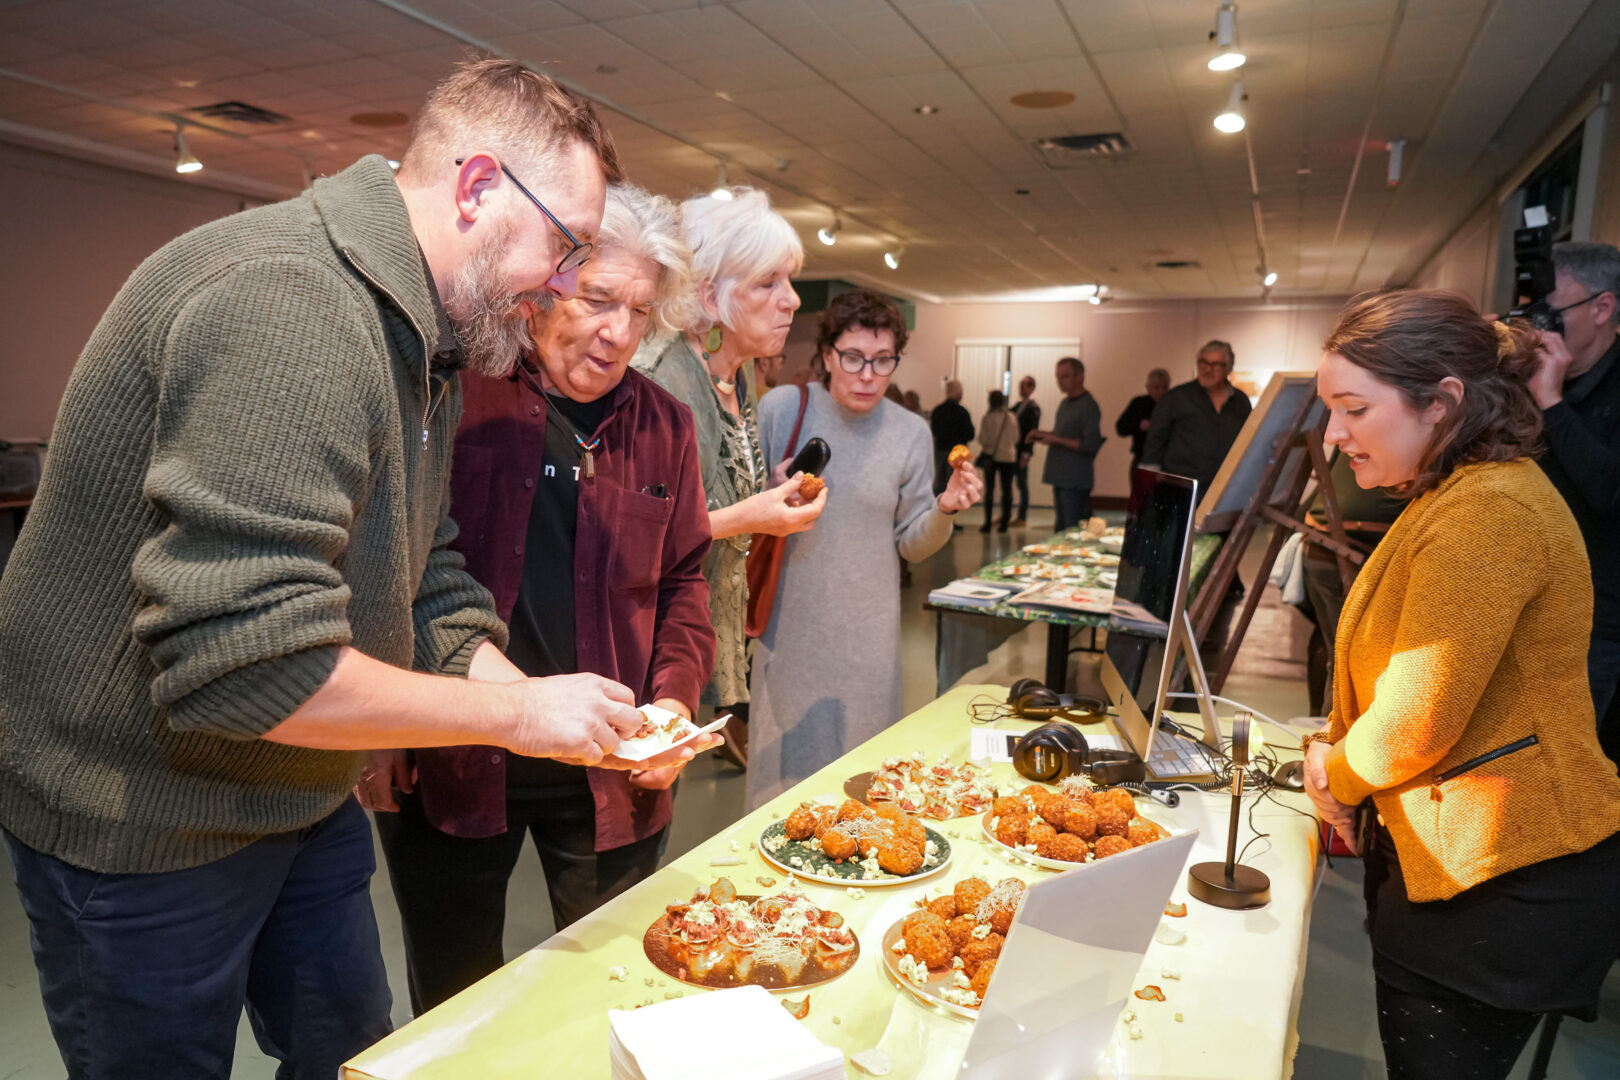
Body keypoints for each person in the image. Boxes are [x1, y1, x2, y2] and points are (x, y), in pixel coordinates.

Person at [0, 60, 696, 1079]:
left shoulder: (432, 334)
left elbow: (428, 576)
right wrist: (512, 720)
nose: (561, 283)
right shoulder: (292, 305)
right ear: (476, 188)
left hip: (296, 788)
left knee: (355, 1051)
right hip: (138, 815)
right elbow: (245, 666)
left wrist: (536, 695)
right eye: (565, 245)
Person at [371, 183, 719, 1015]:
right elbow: (397, 571)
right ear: (544, 288)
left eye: (640, 312)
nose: (619, 333)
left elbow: (683, 583)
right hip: (455, 757)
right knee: (455, 1000)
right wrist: (380, 733)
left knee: (617, 990)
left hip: (612, 768)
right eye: (600, 299)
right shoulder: (459, 397)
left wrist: (673, 702)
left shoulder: (665, 425)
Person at [1301, 290, 1620, 1080]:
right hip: (1471, 872)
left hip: (1500, 890)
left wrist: (1334, 774)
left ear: (1443, 402)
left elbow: (1417, 719)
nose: (1334, 436)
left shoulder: (1490, 512)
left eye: (1353, 409)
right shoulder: (1460, 490)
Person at [747, 290, 982, 808]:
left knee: (863, 791)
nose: (867, 375)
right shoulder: (782, 410)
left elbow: (912, 546)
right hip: (789, 634)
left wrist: (944, 509)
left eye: (882, 361)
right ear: (828, 354)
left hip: (869, 640)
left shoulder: (910, 432)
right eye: (852, 358)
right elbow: (736, 517)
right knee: (778, 792)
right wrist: (769, 491)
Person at [637, 187, 826, 771]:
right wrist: (755, 515)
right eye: (768, 283)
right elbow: (643, 535)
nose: (791, 301)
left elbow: (704, 489)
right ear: (708, 295)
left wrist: (759, 490)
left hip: (693, 632)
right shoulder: (667, 381)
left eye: (788, 281)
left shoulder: (731, 374)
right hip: (646, 648)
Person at [1526, 241, 1620, 729]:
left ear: (1602, 307)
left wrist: (1551, 404)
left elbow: (1609, 492)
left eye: (1554, 311)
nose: (1544, 324)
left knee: (1578, 767)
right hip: (1534, 605)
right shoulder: (1539, 378)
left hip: (1599, 624)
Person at [1141, 341, 1252, 501]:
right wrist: (1148, 486)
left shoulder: (1241, 402)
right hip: (1180, 491)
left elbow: (1246, 442)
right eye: (1203, 363)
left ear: (1228, 368)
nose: (1207, 369)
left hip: (1224, 492)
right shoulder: (1176, 398)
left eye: (1215, 365)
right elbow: (1154, 442)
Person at [1028, 356, 1104, 531]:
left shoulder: (1088, 406)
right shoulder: (1065, 403)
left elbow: (1090, 444)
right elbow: (1062, 434)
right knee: (1060, 529)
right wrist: (1041, 435)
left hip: (1076, 480)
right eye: (1058, 376)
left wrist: (1056, 439)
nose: (1060, 381)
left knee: (1072, 530)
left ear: (1079, 377)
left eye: (1065, 376)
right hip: (1061, 477)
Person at [976, 389, 1019, 533]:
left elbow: (982, 439)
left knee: (989, 491)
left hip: (992, 458)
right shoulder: (1011, 417)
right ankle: (1004, 523)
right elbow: (1016, 438)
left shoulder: (987, 418)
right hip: (1008, 457)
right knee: (1007, 491)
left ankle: (987, 522)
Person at [1115, 367, 1171, 470]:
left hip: (1168, 461)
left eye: (1165, 387)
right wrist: (1139, 425)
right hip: (1142, 459)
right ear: (1148, 388)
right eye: (1157, 387)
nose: (1161, 392)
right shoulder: (1139, 403)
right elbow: (1121, 428)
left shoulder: (1173, 405)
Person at [929, 379, 976, 496]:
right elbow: (970, 434)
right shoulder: (962, 412)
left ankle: (937, 506)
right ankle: (950, 508)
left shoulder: (938, 411)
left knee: (939, 481)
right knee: (954, 482)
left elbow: (933, 430)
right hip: (957, 453)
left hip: (940, 450)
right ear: (958, 393)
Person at [1010, 375, 1041, 527]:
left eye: (1023, 386)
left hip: (1022, 452)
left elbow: (1032, 432)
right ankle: (1007, 515)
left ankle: (1022, 517)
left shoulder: (1033, 408)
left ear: (1031, 388)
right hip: (1011, 451)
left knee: (1022, 484)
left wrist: (1026, 454)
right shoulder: (1017, 406)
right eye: (1020, 385)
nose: (1020, 389)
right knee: (1009, 484)